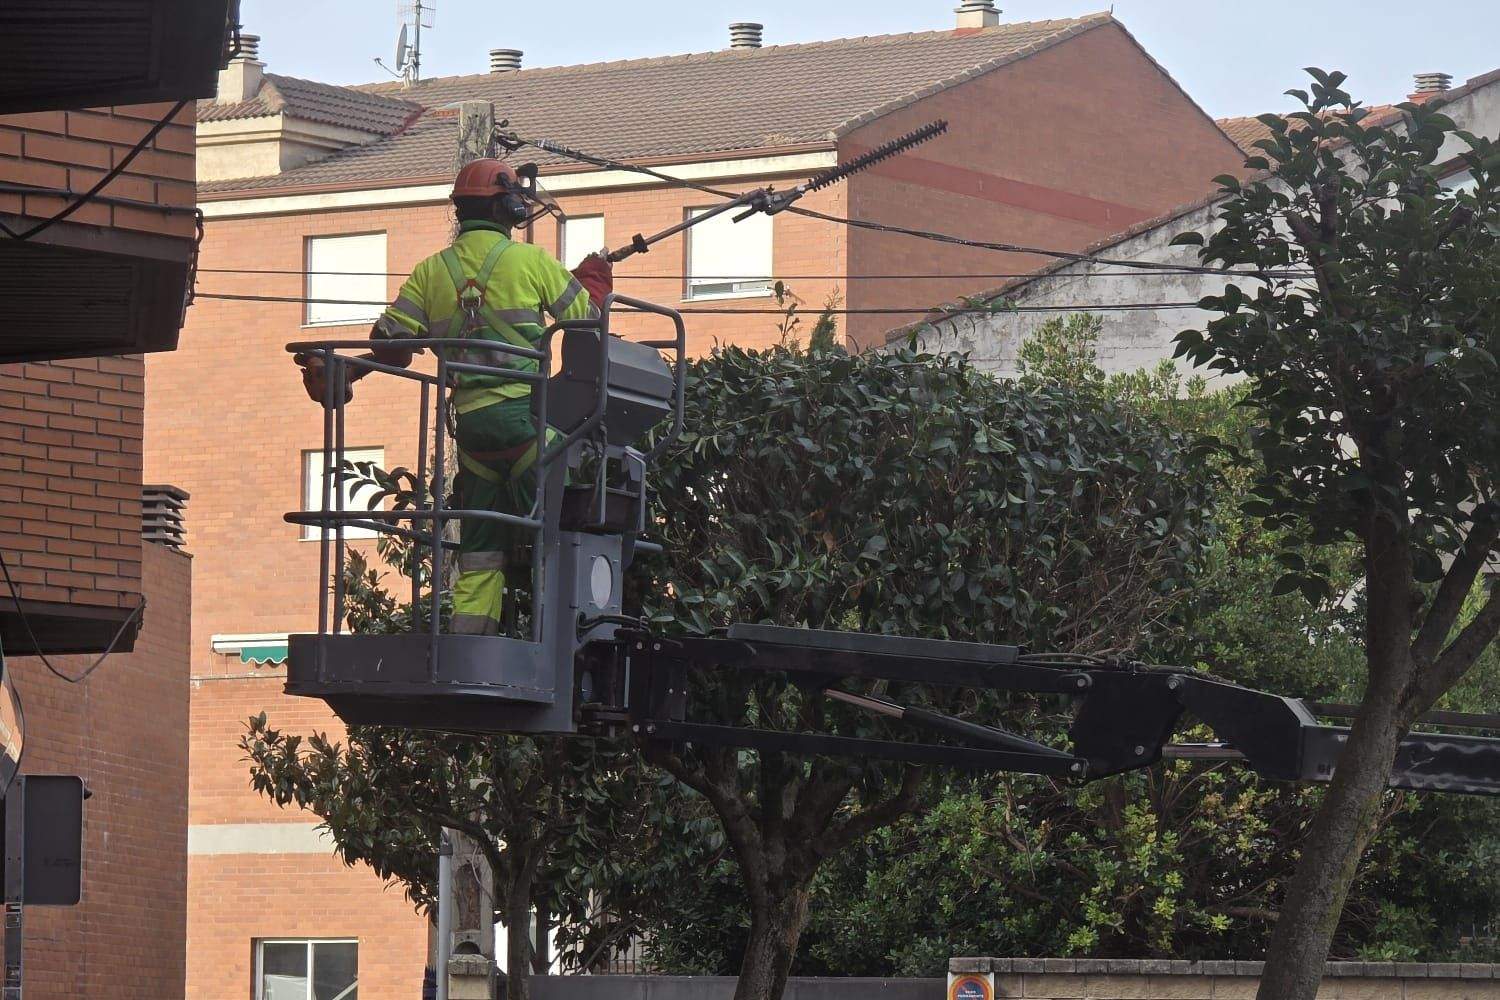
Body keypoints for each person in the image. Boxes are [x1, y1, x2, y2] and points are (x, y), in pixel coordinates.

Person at [299, 158, 613, 635]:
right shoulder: (530, 262)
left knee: (482, 547)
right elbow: (587, 318)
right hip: (527, 424)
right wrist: (592, 277)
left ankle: (471, 644)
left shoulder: (432, 271)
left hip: (472, 434)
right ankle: (554, 638)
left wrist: (355, 368)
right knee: (554, 536)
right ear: (509, 206)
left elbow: (389, 343)